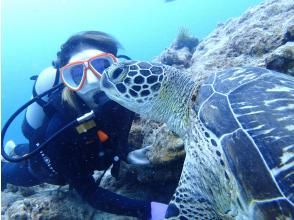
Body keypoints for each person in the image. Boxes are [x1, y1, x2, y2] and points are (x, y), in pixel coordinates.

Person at [1, 31, 168, 220]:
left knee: (23, 150)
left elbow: (114, 135)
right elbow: (89, 193)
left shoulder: (124, 100)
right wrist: (152, 211)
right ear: (67, 82)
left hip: (85, 151)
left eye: (101, 65)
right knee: (12, 173)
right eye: (77, 73)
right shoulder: (60, 128)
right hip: (50, 166)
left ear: (116, 64)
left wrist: (125, 152)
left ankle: (15, 147)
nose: (92, 81)